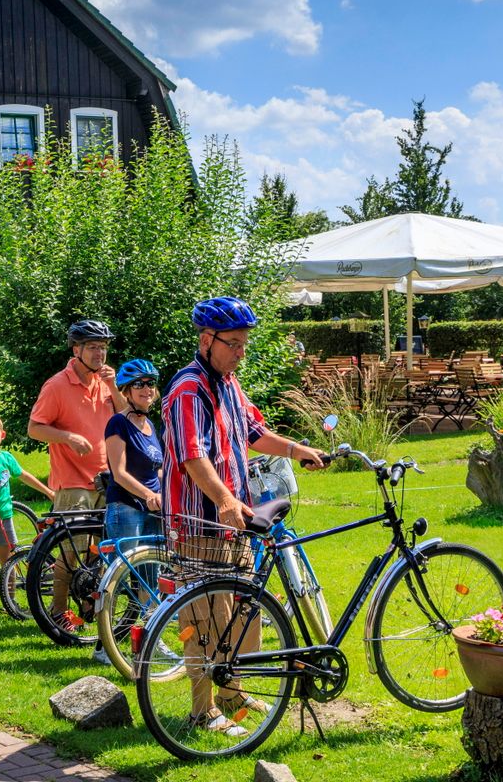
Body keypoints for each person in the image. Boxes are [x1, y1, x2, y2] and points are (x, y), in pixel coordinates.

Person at [161, 297, 327, 737]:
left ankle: (231, 692)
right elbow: (192, 458)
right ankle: (202, 709)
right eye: (232, 343)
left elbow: (255, 432)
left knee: (243, 611)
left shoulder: (229, 384)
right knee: (203, 617)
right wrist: (225, 500)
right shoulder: (187, 390)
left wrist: (297, 449)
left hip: (234, 520)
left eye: (243, 343)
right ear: (206, 340)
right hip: (200, 522)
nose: (240, 352)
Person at [27, 319, 127, 632]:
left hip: (106, 479)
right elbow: (34, 428)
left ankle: (89, 610)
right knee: (72, 552)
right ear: (77, 350)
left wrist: (113, 387)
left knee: (100, 551)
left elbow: (127, 418)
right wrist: (67, 437)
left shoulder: (105, 383)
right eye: (94, 347)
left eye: (104, 347)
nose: (100, 353)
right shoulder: (57, 385)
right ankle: (58, 612)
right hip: (72, 481)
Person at [0, 414, 54, 613]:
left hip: (4, 517)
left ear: (2, 435)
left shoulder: (6, 458)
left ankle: (10, 601)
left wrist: (47, 491)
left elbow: (24, 476)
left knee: (9, 560)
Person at [103, 358, 164, 545]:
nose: (147, 389)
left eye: (150, 383)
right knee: (122, 570)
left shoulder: (150, 426)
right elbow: (119, 473)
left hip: (153, 509)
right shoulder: (118, 423)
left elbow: (156, 469)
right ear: (127, 390)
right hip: (126, 507)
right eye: (139, 384)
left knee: (150, 572)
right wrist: (149, 495)